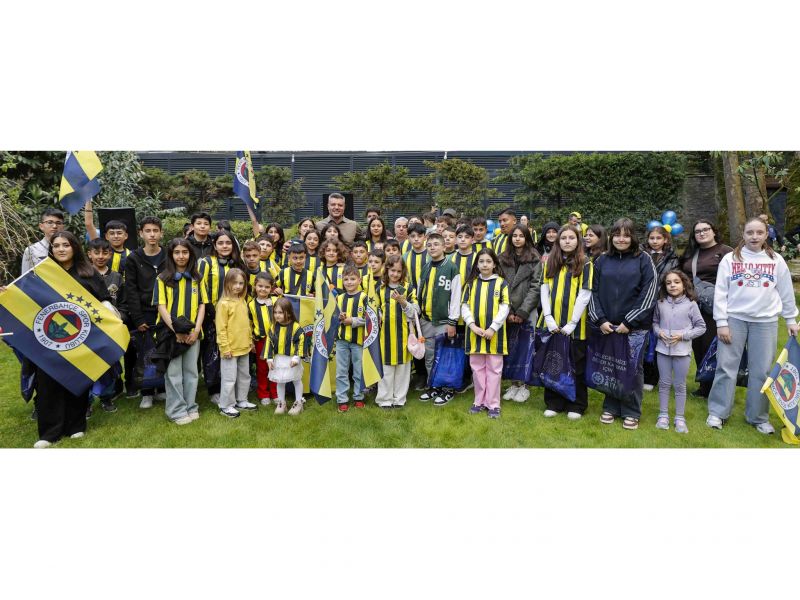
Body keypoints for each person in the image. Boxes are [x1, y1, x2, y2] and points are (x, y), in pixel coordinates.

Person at [706, 217, 799, 433]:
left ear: (766, 235)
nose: (754, 237)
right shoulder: (730, 259)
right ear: (743, 234)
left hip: (765, 322)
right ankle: (718, 412)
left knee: (762, 371)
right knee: (726, 367)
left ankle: (758, 417)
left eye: (759, 232)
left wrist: (791, 319)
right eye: (750, 232)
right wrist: (721, 322)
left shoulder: (776, 260)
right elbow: (720, 292)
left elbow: (786, 291)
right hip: (734, 320)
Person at [30, 231, 112, 448]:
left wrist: (108, 308)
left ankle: (76, 426)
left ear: (74, 247)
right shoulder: (42, 273)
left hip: (80, 337)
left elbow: (103, 299)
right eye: (56, 245)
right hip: (49, 337)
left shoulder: (89, 273)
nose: (61, 249)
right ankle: (49, 433)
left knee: (76, 380)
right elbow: (26, 298)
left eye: (65, 245)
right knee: (48, 383)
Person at [590, 218, 657, 430]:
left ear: (633, 237)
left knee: (632, 369)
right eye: (617, 235)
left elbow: (649, 293)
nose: (621, 239)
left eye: (626, 235)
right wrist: (600, 319)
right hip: (607, 326)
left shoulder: (644, 259)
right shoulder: (601, 260)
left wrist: (629, 321)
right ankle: (610, 407)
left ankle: (631, 410)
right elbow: (591, 291)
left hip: (634, 328)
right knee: (610, 365)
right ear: (611, 237)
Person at [539, 225, 594, 419]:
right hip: (552, 323)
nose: (567, 241)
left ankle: (576, 404)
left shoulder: (585, 263)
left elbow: (585, 294)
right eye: (563, 238)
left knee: (575, 365)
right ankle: (554, 402)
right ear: (558, 241)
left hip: (576, 325)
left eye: (571, 237)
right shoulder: (550, 261)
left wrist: (572, 322)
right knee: (553, 361)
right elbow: (544, 288)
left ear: (578, 241)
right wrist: (548, 317)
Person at [153, 238, 207, 425]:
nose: (181, 256)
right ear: (171, 255)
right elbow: (161, 306)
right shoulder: (162, 279)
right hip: (170, 333)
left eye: (185, 252)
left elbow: (202, 305)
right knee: (174, 373)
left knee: (192, 372)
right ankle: (176, 410)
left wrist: (196, 330)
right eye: (177, 252)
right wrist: (176, 330)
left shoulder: (197, 278)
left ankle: (190, 406)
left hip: (193, 333)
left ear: (190, 255)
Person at [680, 220, 733, 398]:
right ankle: (704, 385)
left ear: (714, 231)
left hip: (716, 306)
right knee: (698, 345)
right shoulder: (691, 253)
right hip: (694, 304)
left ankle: (716, 386)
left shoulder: (726, 251)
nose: (702, 233)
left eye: (705, 229)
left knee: (712, 345)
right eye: (698, 231)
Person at [652, 270, 706, 433]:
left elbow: (701, 327)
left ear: (684, 284)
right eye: (668, 283)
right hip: (662, 351)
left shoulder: (691, 304)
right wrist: (659, 332)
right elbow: (654, 323)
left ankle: (680, 418)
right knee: (664, 383)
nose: (672, 285)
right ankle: (663, 415)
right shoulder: (660, 303)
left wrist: (683, 336)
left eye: (676, 282)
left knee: (680, 385)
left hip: (682, 353)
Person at [124, 216, 167, 407]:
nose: (152, 235)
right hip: (144, 312)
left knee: (163, 350)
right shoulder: (133, 258)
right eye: (148, 231)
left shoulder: (168, 255)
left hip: (165, 311)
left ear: (161, 233)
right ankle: (147, 392)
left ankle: (162, 388)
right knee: (145, 352)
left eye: (155, 231)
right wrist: (138, 317)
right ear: (141, 233)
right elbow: (131, 290)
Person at [198, 230, 245, 405]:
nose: (225, 246)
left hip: (233, 315)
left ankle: (234, 389)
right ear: (214, 245)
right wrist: (213, 312)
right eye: (220, 243)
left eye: (228, 243)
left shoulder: (237, 263)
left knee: (232, 351)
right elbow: (201, 287)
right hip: (211, 314)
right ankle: (214, 389)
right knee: (212, 353)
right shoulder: (206, 262)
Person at [462, 249, 510, 418]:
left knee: (494, 370)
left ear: (494, 264)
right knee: (477, 369)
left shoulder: (501, 283)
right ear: (477, 264)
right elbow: (464, 306)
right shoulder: (471, 284)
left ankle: (493, 404)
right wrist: (472, 325)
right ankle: (479, 401)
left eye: (488, 261)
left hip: (494, 335)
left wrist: (493, 327)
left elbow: (505, 307)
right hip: (475, 334)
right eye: (481, 261)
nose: (485, 264)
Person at [417, 232, 462, 406]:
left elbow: (456, 296)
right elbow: (420, 291)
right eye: (429, 245)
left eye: (436, 244)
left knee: (445, 356)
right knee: (430, 356)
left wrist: (452, 321)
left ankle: (447, 389)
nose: (432, 247)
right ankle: (433, 385)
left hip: (444, 321)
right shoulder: (425, 267)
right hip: (426, 320)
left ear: (444, 247)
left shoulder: (451, 268)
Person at [499, 224, 542, 403]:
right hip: (507, 309)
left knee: (526, 347)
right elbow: (499, 284)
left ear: (527, 238)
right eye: (514, 235)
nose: (517, 239)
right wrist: (508, 310)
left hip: (527, 310)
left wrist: (523, 311)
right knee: (510, 347)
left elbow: (536, 286)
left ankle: (524, 385)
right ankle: (513, 383)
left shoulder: (534, 258)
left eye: (521, 236)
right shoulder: (502, 258)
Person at [86, 237, 125, 413]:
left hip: (110, 330)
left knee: (109, 363)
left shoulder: (116, 277)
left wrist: (120, 317)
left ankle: (107, 397)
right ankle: (86, 401)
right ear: (89, 254)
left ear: (110, 254)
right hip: (87, 329)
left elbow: (123, 302)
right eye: (96, 252)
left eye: (105, 252)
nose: (100, 256)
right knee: (87, 365)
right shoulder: (82, 276)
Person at [375, 256, 419, 408]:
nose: (395, 274)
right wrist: (378, 315)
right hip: (385, 336)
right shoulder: (380, 289)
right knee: (386, 371)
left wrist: (403, 301)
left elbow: (415, 312)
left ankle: (399, 399)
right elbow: (376, 309)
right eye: (392, 270)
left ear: (403, 272)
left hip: (404, 336)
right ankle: (384, 400)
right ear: (386, 269)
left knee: (402, 370)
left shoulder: (408, 288)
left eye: (399, 271)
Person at [215, 268, 256, 418]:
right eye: (234, 283)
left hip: (244, 347)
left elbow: (246, 324)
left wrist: (250, 341)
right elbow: (221, 328)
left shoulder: (242, 300)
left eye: (241, 283)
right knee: (229, 378)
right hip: (230, 349)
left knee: (245, 376)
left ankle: (242, 400)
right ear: (227, 283)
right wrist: (225, 347)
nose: (238, 286)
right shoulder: (223, 304)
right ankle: (226, 405)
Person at [334, 265, 369, 412]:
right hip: (341, 341)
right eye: (346, 279)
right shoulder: (339, 298)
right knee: (341, 371)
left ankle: (358, 397)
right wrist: (339, 317)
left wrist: (353, 321)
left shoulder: (364, 297)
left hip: (358, 341)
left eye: (353, 279)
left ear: (359, 280)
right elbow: (333, 318)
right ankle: (342, 399)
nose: (349, 282)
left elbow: (370, 319)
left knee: (358, 370)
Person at [264, 296, 306, 416]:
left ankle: (299, 402)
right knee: (280, 381)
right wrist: (269, 358)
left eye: (280, 312)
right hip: (279, 359)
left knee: (296, 380)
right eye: (275, 312)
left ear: (289, 312)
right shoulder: (273, 327)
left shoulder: (296, 327)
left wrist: (296, 358)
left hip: (292, 359)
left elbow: (301, 342)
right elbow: (269, 343)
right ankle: (281, 403)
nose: (277, 315)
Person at [249, 271, 278, 406]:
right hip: (260, 340)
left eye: (267, 287)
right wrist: (251, 342)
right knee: (262, 368)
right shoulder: (251, 304)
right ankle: (263, 394)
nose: (263, 289)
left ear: (271, 288)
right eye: (260, 286)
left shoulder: (275, 301)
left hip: (275, 340)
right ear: (255, 286)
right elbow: (249, 324)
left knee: (275, 366)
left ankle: (275, 393)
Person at [22, 207, 65, 272]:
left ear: (63, 227)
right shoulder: (31, 250)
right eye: (50, 222)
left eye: (58, 223)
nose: (54, 226)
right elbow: (25, 276)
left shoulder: (69, 249)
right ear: (41, 226)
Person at [403, 222, 429, 290]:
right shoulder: (404, 257)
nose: (416, 239)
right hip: (410, 294)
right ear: (408, 238)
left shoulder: (431, 255)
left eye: (419, 236)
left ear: (425, 237)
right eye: (413, 236)